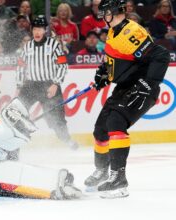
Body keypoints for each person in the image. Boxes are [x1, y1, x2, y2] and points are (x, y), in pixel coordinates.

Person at [84, 0, 170, 199]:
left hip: (141, 88)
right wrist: (104, 73)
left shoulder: (130, 32)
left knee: (116, 122)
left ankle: (119, 180)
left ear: (114, 12)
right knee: (101, 129)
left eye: (104, 12)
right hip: (125, 87)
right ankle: (102, 171)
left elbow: (161, 55)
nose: (102, 16)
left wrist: (149, 84)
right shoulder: (114, 31)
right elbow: (117, 59)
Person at [16, 15, 79, 150]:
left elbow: (62, 65)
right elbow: (21, 67)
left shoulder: (54, 45)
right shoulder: (27, 46)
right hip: (30, 86)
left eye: (40, 29)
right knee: (17, 112)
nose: (37, 32)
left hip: (49, 86)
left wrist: (55, 84)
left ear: (45, 30)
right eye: (35, 29)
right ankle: (14, 144)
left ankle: (67, 141)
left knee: (57, 119)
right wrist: (19, 86)